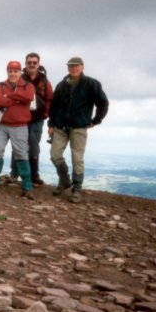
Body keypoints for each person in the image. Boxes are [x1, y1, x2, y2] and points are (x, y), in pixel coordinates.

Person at [48, 56, 109, 203]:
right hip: (60, 126)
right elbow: (54, 107)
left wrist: (95, 120)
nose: (74, 68)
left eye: (76, 66)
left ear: (82, 67)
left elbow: (103, 103)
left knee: (77, 159)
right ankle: (64, 180)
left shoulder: (91, 84)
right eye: (71, 66)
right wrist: (51, 124)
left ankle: (76, 189)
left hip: (79, 127)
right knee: (55, 155)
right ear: (68, 68)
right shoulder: (61, 85)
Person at [0, 61, 35, 199]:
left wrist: (9, 96)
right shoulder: (0, 86)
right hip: (1, 125)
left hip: (20, 126)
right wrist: (17, 99)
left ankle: (27, 186)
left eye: (15, 71)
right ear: (7, 72)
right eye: (10, 71)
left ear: (20, 72)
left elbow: (29, 97)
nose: (12, 74)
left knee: (21, 154)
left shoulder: (28, 85)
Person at [8, 53, 53, 186]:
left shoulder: (44, 81)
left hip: (37, 119)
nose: (32, 64)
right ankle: (14, 174)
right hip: (21, 119)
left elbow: (50, 99)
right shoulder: (19, 79)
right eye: (29, 62)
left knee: (34, 147)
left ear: (38, 64)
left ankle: (34, 175)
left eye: (34, 62)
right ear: (25, 64)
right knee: (18, 146)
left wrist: (46, 113)